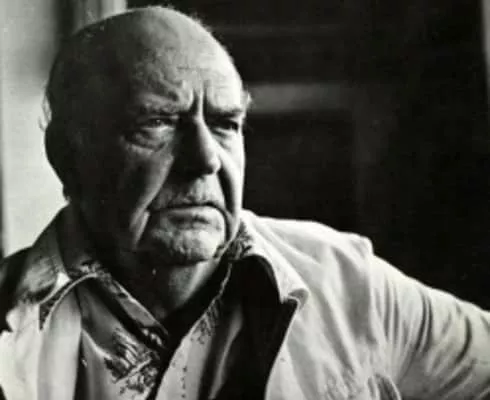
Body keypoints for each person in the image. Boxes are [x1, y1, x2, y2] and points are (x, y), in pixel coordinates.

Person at [0, 6, 489, 400]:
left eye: (225, 124)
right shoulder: (10, 325)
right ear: (68, 155)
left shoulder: (349, 285)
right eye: (157, 123)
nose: (205, 159)